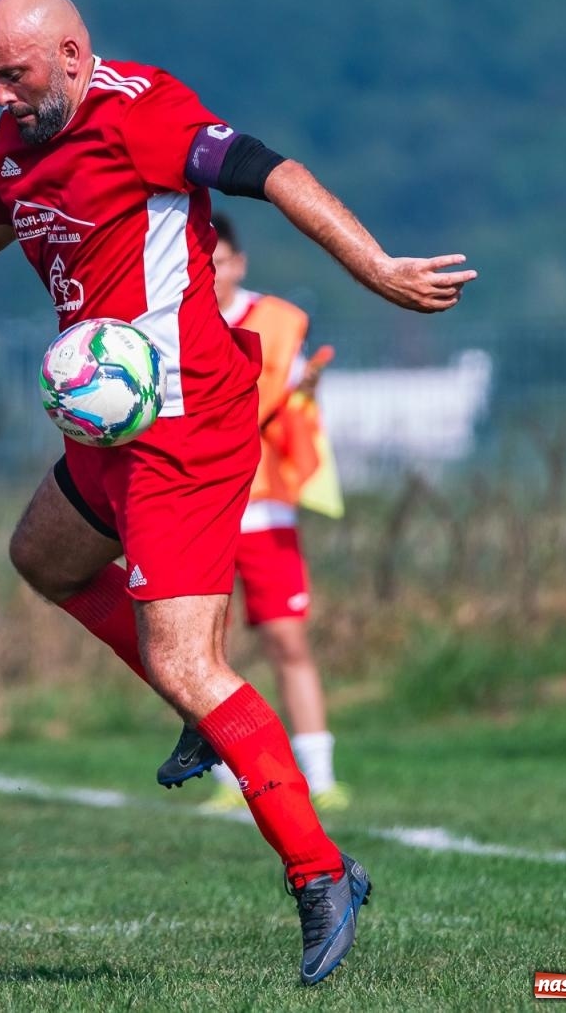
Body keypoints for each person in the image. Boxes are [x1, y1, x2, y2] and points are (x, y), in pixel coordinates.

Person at [0, 0, 474, 985]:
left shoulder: (141, 110)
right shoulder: (17, 142)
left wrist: (374, 266)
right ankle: (204, 712)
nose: (0, 94)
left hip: (184, 421)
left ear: (74, 54)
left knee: (190, 659)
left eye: (17, 72)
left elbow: (273, 172)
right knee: (42, 554)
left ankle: (321, 870)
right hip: (110, 420)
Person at [190, 211, 349, 814]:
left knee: (288, 639)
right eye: (200, 263)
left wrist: (304, 394)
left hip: (263, 505)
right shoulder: (171, 322)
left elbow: (296, 405)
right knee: (204, 651)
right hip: (198, 510)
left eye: (221, 261)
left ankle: (321, 772)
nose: (212, 273)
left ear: (239, 263)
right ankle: (231, 779)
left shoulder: (280, 322)